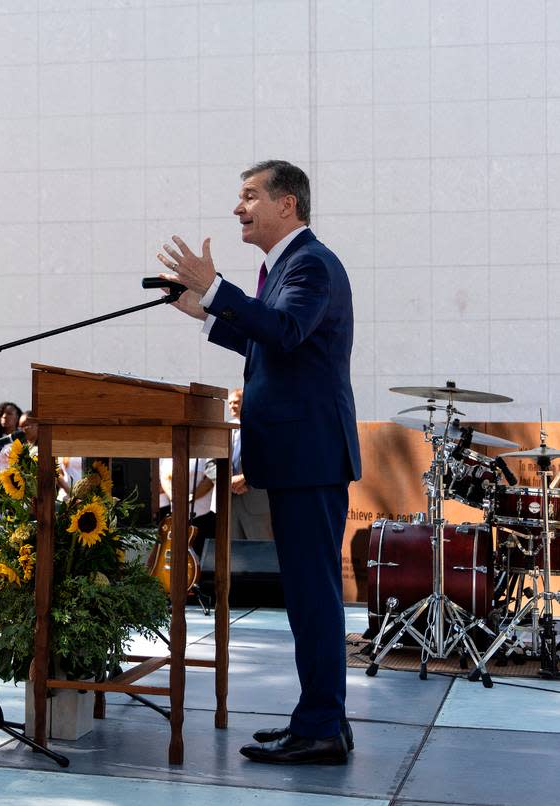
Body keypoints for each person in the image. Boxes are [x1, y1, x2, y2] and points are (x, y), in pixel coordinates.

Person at [158, 159, 360, 765]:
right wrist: (206, 311)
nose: (238, 208)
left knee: (315, 595)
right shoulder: (283, 269)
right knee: (305, 594)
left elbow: (287, 330)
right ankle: (320, 719)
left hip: (311, 457)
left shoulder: (311, 264)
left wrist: (220, 290)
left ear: (287, 205)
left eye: (249, 197)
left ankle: (322, 725)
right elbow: (265, 338)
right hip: (297, 458)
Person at [227, 387, 273, 540]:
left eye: (237, 402)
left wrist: (245, 478)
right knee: (234, 556)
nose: (233, 406)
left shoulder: (262, 427)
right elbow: (211, 464)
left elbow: (268, 458)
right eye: (230, 403)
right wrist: (229, 482)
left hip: (256, 502)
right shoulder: (225, 429)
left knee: (261, 554)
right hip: (229, 502)